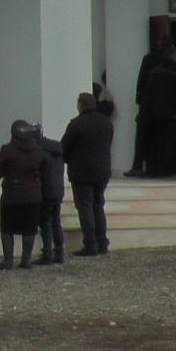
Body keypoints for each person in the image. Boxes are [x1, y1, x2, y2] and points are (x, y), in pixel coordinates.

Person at [61, 92, 113, 257]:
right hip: (102, 170)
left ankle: (90, 244)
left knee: (85, 207)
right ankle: (102, 242)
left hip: (82, 172)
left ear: (80, 105)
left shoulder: (76, 124)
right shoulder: (106, 122)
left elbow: (64, 148)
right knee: (98, 205)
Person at [0, 120, 47, 270]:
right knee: (29, 229)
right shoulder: (39, 150)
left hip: (12, 195)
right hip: (33, 195)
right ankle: (25, 260)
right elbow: (45, 172)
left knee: (7, 228)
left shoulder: (7, 150)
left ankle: (8, 260)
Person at [146, 44, 176, 177]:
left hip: (157, 113)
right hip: (175, 113)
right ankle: (169, 172)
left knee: (160, 142)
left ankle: (157, 170)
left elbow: (148, 93)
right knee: (172, 144)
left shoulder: (154, 71)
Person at [130, 38, 168, 176]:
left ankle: (137, 167)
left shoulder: (149, 58)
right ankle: (157, 169)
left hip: (147, 105)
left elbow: (141, 80)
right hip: (165, 108)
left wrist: (139, 101)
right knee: (161, 139)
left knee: (142, 137)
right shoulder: (172, 62)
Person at [36, 122, 66, 264]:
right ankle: (59, 252)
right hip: (58, 190)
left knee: (46, 224)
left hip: (45, 191)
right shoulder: (57, 148)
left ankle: (47, 253)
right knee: (56, 222)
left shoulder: (38, 151)